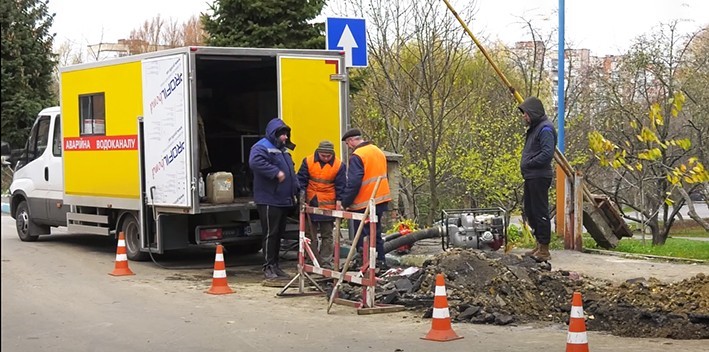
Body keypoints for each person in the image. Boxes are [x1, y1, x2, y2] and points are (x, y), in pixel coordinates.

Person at [249, 118, 299, 280]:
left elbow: (291, 172)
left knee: (278, 234)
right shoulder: (261, 147)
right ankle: (268, 267)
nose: (285, 137)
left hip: (283, 199)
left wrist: (297, 189)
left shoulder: (283, 151)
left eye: (286, 134)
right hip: (269, 199)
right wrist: (275, 173)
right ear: (273, 134)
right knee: (271, 233)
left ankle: (276, 266)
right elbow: (255, 163)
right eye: (281, 134)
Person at [340, 128, 392, 270]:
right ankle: (380, 262)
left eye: (347, 143)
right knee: (376, 233)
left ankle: (366, 265)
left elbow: (354, 182)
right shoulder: (377, 151)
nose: (348, 147)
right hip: (381, 199)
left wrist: (345, 202)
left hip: (365, 202)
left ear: (351, 141)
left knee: (364, 235)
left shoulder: (358, 155)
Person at [518, 96, 557, 262]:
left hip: (539, 176)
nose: (524, 117)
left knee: (540, 211)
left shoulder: (545, 129)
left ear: (532, 113)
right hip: (531, 176)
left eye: (525, 113)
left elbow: (547, 153)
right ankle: (539, 244)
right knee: (531, 211)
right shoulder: (535, 128)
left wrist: (530, 163)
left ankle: (544, 248)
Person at [296, 140, 346, 268]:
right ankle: (311, 260)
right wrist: (302, 199)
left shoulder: (339, 165)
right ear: (318, 152)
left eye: (328, 156)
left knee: (327, 235)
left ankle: (325, 262)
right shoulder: (308, 161)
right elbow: (301, 181)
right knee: (308, 234)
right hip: (310, 202)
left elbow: (341, 185)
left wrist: (339, 202)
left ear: (332, 154)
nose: (325, 158)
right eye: (323, 156)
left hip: (328, 205)